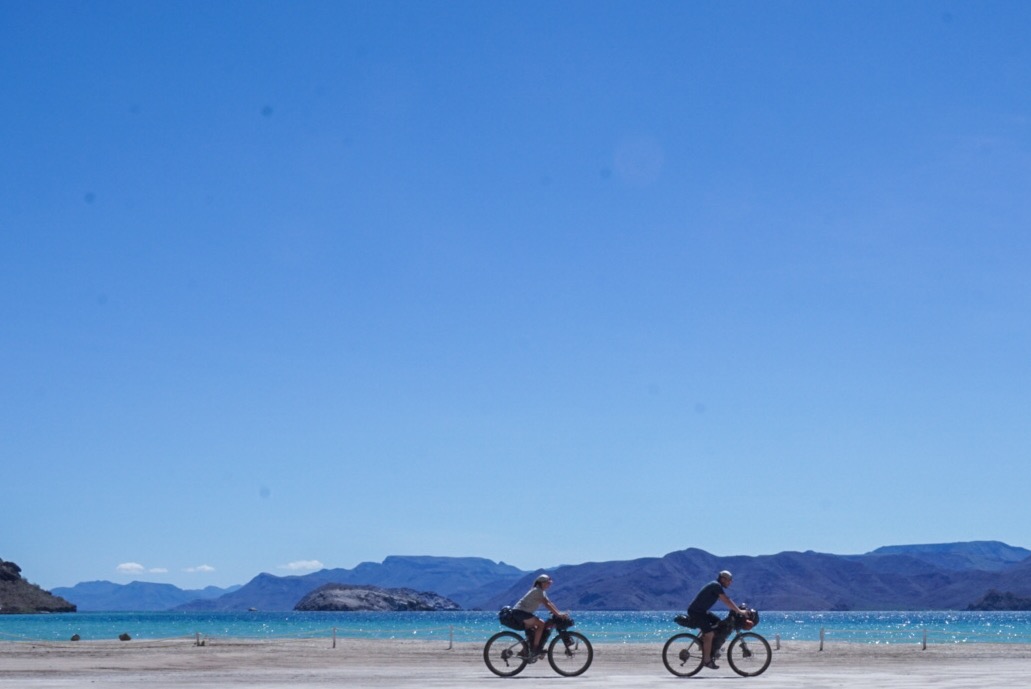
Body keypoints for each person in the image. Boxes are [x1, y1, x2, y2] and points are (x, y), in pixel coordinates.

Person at [686, 570, 748, 670]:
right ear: (723, 579)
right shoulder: (716, 586)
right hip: (696, 612)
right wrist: (739, 611)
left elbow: (727, 599)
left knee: (719, 623)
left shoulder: (717, 586)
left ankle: (703, 643)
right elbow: (726, 601)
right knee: (710, 634)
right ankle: (707, 661)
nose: (730, 582)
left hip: (701, 611)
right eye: (729, 580)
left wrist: (736, 609)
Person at [510, 573, 569, 656]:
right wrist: (558, 615)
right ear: (543, 583)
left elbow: (549, 603)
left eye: (550, 583)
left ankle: (525, 651)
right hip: (520, 613)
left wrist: (559, 613)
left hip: (523, 613)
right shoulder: (537, 591)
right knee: (541, 624)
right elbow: (546, 604)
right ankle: (535, 648)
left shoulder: (541, 591)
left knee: (534, 632)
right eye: (548, 583)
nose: (549, 585)